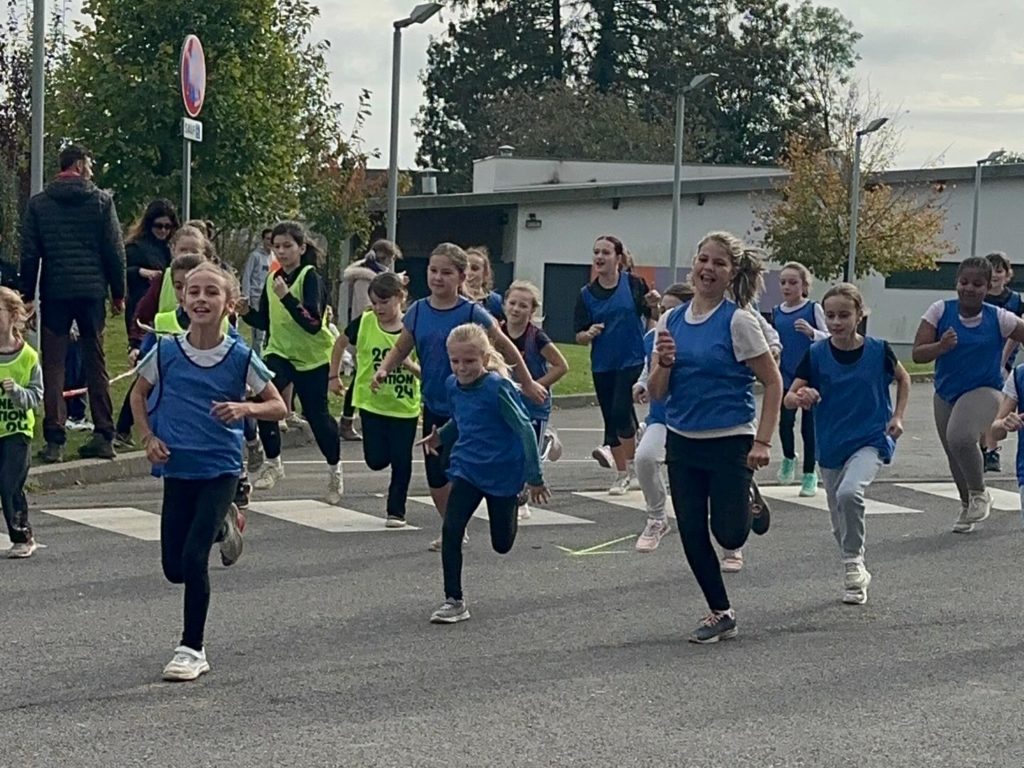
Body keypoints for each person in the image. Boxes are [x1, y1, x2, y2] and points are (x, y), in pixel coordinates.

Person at [131, 262, 284, 682]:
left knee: (194, 557)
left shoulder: (240, 357)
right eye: (193, 291)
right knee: (174, 568)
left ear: (228, 304)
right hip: (177, 466)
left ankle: (191, 648)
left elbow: (278, 405)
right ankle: (226, 528)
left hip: (220, 468)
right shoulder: (164, 351)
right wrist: (147, 438)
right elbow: (137, 396)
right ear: (182, 299)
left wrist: (245, 408)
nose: (200, 299)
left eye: (211, 293)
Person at [647, 232, 781, 644]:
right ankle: (720, 612)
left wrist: (763, 442)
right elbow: (656, 392)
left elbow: (773, 384)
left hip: (729, 440)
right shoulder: (670, 320)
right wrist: (664, 363)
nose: (708, 268)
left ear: (732, 273)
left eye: (719, 263)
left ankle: (747, 497)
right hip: (683, 439)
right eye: (703, 259)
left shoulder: (739, 321)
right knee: (690, 530)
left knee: (729, 535)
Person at [371, 242, 547, 551]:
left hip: (470, 405)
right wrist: (385, 368)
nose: (438, 278)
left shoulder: (471, 312)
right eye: (433, 271)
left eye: (446, 272)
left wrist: (528, 382)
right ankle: (453, 527)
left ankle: (498, 502)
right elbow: (402, 346)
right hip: (436, 402)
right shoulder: (418, 311)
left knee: (469, 469)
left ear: (461, 276)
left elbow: (505, 346)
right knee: (437, 478)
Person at [785, 283, 910, 605]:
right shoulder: (815, 355)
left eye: (844, 315)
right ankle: (855, 576)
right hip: (831, 444)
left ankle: (854, 562)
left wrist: (897, 417)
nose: (836, 322)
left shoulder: (879, 350)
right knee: (838, 518)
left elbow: (904, 378)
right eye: (830, 316)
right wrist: (800, 396)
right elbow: (788, 397)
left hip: (870, 438)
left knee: (849, 492)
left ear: (859, 315)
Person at [418, 323, 549, 624]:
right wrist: (442, 437)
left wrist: (535, 476)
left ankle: (517, 499)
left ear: (485, 359)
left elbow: (525, 430)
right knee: (451, 529)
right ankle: (454, 600)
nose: (462, 368)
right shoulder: (453, 385)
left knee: (501, 544)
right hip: (468, 467)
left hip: (503, 471)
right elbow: (462, 420)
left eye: (470, 361)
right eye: (456, 361)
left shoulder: (497, 388)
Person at [19, 143, 126, 463]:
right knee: (96, 362)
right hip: (92, 291)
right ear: (78, 165)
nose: (91, 170)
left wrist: (27, 298)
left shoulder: (39, 204)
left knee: (54, 365)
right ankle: (104, 434)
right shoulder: (101, 202)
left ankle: (54, 439)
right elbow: (114, 251)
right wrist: (118, 293)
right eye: (89, 164)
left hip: (55, 291)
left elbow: (29, 254)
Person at [912, 256, 1024, 533]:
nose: (969, 289)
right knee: (954, 452)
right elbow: (917, 353)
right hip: (946, 391)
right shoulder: (940, 311)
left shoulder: (998, 317)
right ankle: (967, 504)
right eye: (964, 282)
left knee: (960, 437)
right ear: (956, 283)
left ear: (987, 288)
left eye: (977, 284)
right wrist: (941, 346)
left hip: (985, 389)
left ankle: (979, 492)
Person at [242, 221, 343, 503]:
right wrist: (246, 311)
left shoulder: (310, 277)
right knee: (266, 401)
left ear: (301, 248)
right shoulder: (271, 278)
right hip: (279, 351)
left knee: (317, 417)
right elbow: (264, 320)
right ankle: (273, 463)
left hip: (312, 357)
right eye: (277, 247)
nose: (282, 252)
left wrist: (286, 298)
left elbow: (312, 322)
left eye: (288, 246)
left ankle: (335, 470)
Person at [329, 272, 421, 527]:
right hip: (372, 403)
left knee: (402, 461)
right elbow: (339, 344)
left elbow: (427, 372)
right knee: (376, 459)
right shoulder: (366, 321)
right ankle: (385, 456)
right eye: (375, 302)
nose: (379, 308)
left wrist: (409, 365)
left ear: (400, 298)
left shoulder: (413, 327)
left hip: (404, 407)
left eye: (385, 302)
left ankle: (396, 511)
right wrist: (333, 376)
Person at [115, 225, 213, 449]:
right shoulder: (164, 279)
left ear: (205, 254)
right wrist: (136, 346)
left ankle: (249, 440)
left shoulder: (216, 282)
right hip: (167, 354)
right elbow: (143, 315)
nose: (188, 256)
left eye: (194, 251)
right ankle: (125, 429)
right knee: (144, 386)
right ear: (173, 250)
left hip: (205, 359)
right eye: (183, 250)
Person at [574, 235, 658, 494]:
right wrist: (588, 334)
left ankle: (630, 469)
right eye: (596, 252)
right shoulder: (586, 295)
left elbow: (653, 316)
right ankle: (624, 472)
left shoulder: (634, 284)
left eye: (605, 252)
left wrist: (655, 307)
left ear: (618, 258)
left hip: (632, 359)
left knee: (620, 411)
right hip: (603, 364)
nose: (599, 257)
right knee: (613, 418)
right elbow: (578, 335)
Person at [501, 280, 569, 520]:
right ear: (504, 304)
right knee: (510, 450)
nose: (516, 309)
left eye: (523, 305)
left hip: (534, 405)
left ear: (532, 311)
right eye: (512, 303)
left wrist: (536, 385)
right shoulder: (497, 333)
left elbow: (562, 366)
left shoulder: (537, 337)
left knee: (530, 455)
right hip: (508, 402)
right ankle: (516, 496)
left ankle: (547, 440)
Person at [632, 283, 692, 553]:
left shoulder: (695, 336)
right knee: (644, 458)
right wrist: (642, 384)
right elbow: (648, 368)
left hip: (695, 418)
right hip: (661, 416)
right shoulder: (651, 338)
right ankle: (657, 517)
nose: (664, 314)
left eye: (671, 308)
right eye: (661, 308)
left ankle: (730, 542)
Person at [336, 240, 405, 441]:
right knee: (362, 376)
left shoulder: (376, 277)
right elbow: (366, 307)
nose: (390, 263)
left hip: (379, 329)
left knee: (366, 376)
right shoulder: (366, 280)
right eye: (388, 259)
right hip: (369, 331)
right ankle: (347, 420)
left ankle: (352, 419)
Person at [772, 261, 829, 496]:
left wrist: (812, 332)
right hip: (785, 373)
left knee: (809, 427)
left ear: (804, 285)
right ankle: (788, 458)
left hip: (810, 374)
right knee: (785, 422)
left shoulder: (813, 309)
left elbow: (828, 336)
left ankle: (809, 473)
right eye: (783, 282)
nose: (787, 287)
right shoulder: (776, 312)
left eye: (793, 282)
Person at [0, 288, 43, 558]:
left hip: (17, 430)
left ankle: (22, 535)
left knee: (9, 484)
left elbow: (35, 397)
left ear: (14, 315)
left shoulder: (27, 357)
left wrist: (16, 391)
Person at [981, 251, 1024, 472]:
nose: (995, 275)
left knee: (999, 401)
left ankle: (992, 450)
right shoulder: (979, 297)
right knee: (980, 403)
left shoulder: (1015, 301)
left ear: (1008, 274)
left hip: (1003, 356)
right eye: (991, 270)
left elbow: (1015, 334)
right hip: (981, 355)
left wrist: (1003, 362)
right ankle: (984, 443)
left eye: (999, 270)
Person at [124, 199, 178, 343]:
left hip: (163, 306)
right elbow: (121, 272)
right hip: (139, 303)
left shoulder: (169, 249)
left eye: (167, 227)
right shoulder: (135, 247)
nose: (163, 231)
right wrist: (141, 272)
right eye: (158, 226)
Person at [239, 228, 273, 355]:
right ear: (263, 239)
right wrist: (246, 296)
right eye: (267, 238)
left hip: (270, 298)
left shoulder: (275, 257)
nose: (270, 242)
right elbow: (247, 276)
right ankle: (256, 360)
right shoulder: (255, 256)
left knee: (266, 331)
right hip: (256, 297)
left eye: (272, 239)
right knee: (258, 333)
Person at [465, 246, 504, 320]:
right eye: (465, 268)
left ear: (485, 273)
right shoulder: (452, 299)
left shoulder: (496, 301)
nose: (468, 273)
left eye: (474, 269)